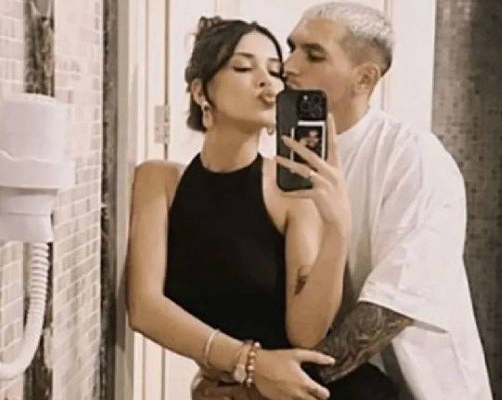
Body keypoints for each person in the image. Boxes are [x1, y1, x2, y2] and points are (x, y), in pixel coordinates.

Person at [202, 2, 494, 399]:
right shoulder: (279, 161)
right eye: (292, 48)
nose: (289, 66)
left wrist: (265, 387)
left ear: (364, 78)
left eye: (313, 55)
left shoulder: (413, 158)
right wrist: (236, 367)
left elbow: (391, 308)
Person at [125, 16, 396, 400]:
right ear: (201, 91)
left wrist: (338, 228)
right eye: (243, 67)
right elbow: (144, 308)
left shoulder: (290, 193)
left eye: (274, 71)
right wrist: (249, 363)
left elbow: (305, 333)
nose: (268, 83)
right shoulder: (159, 182)